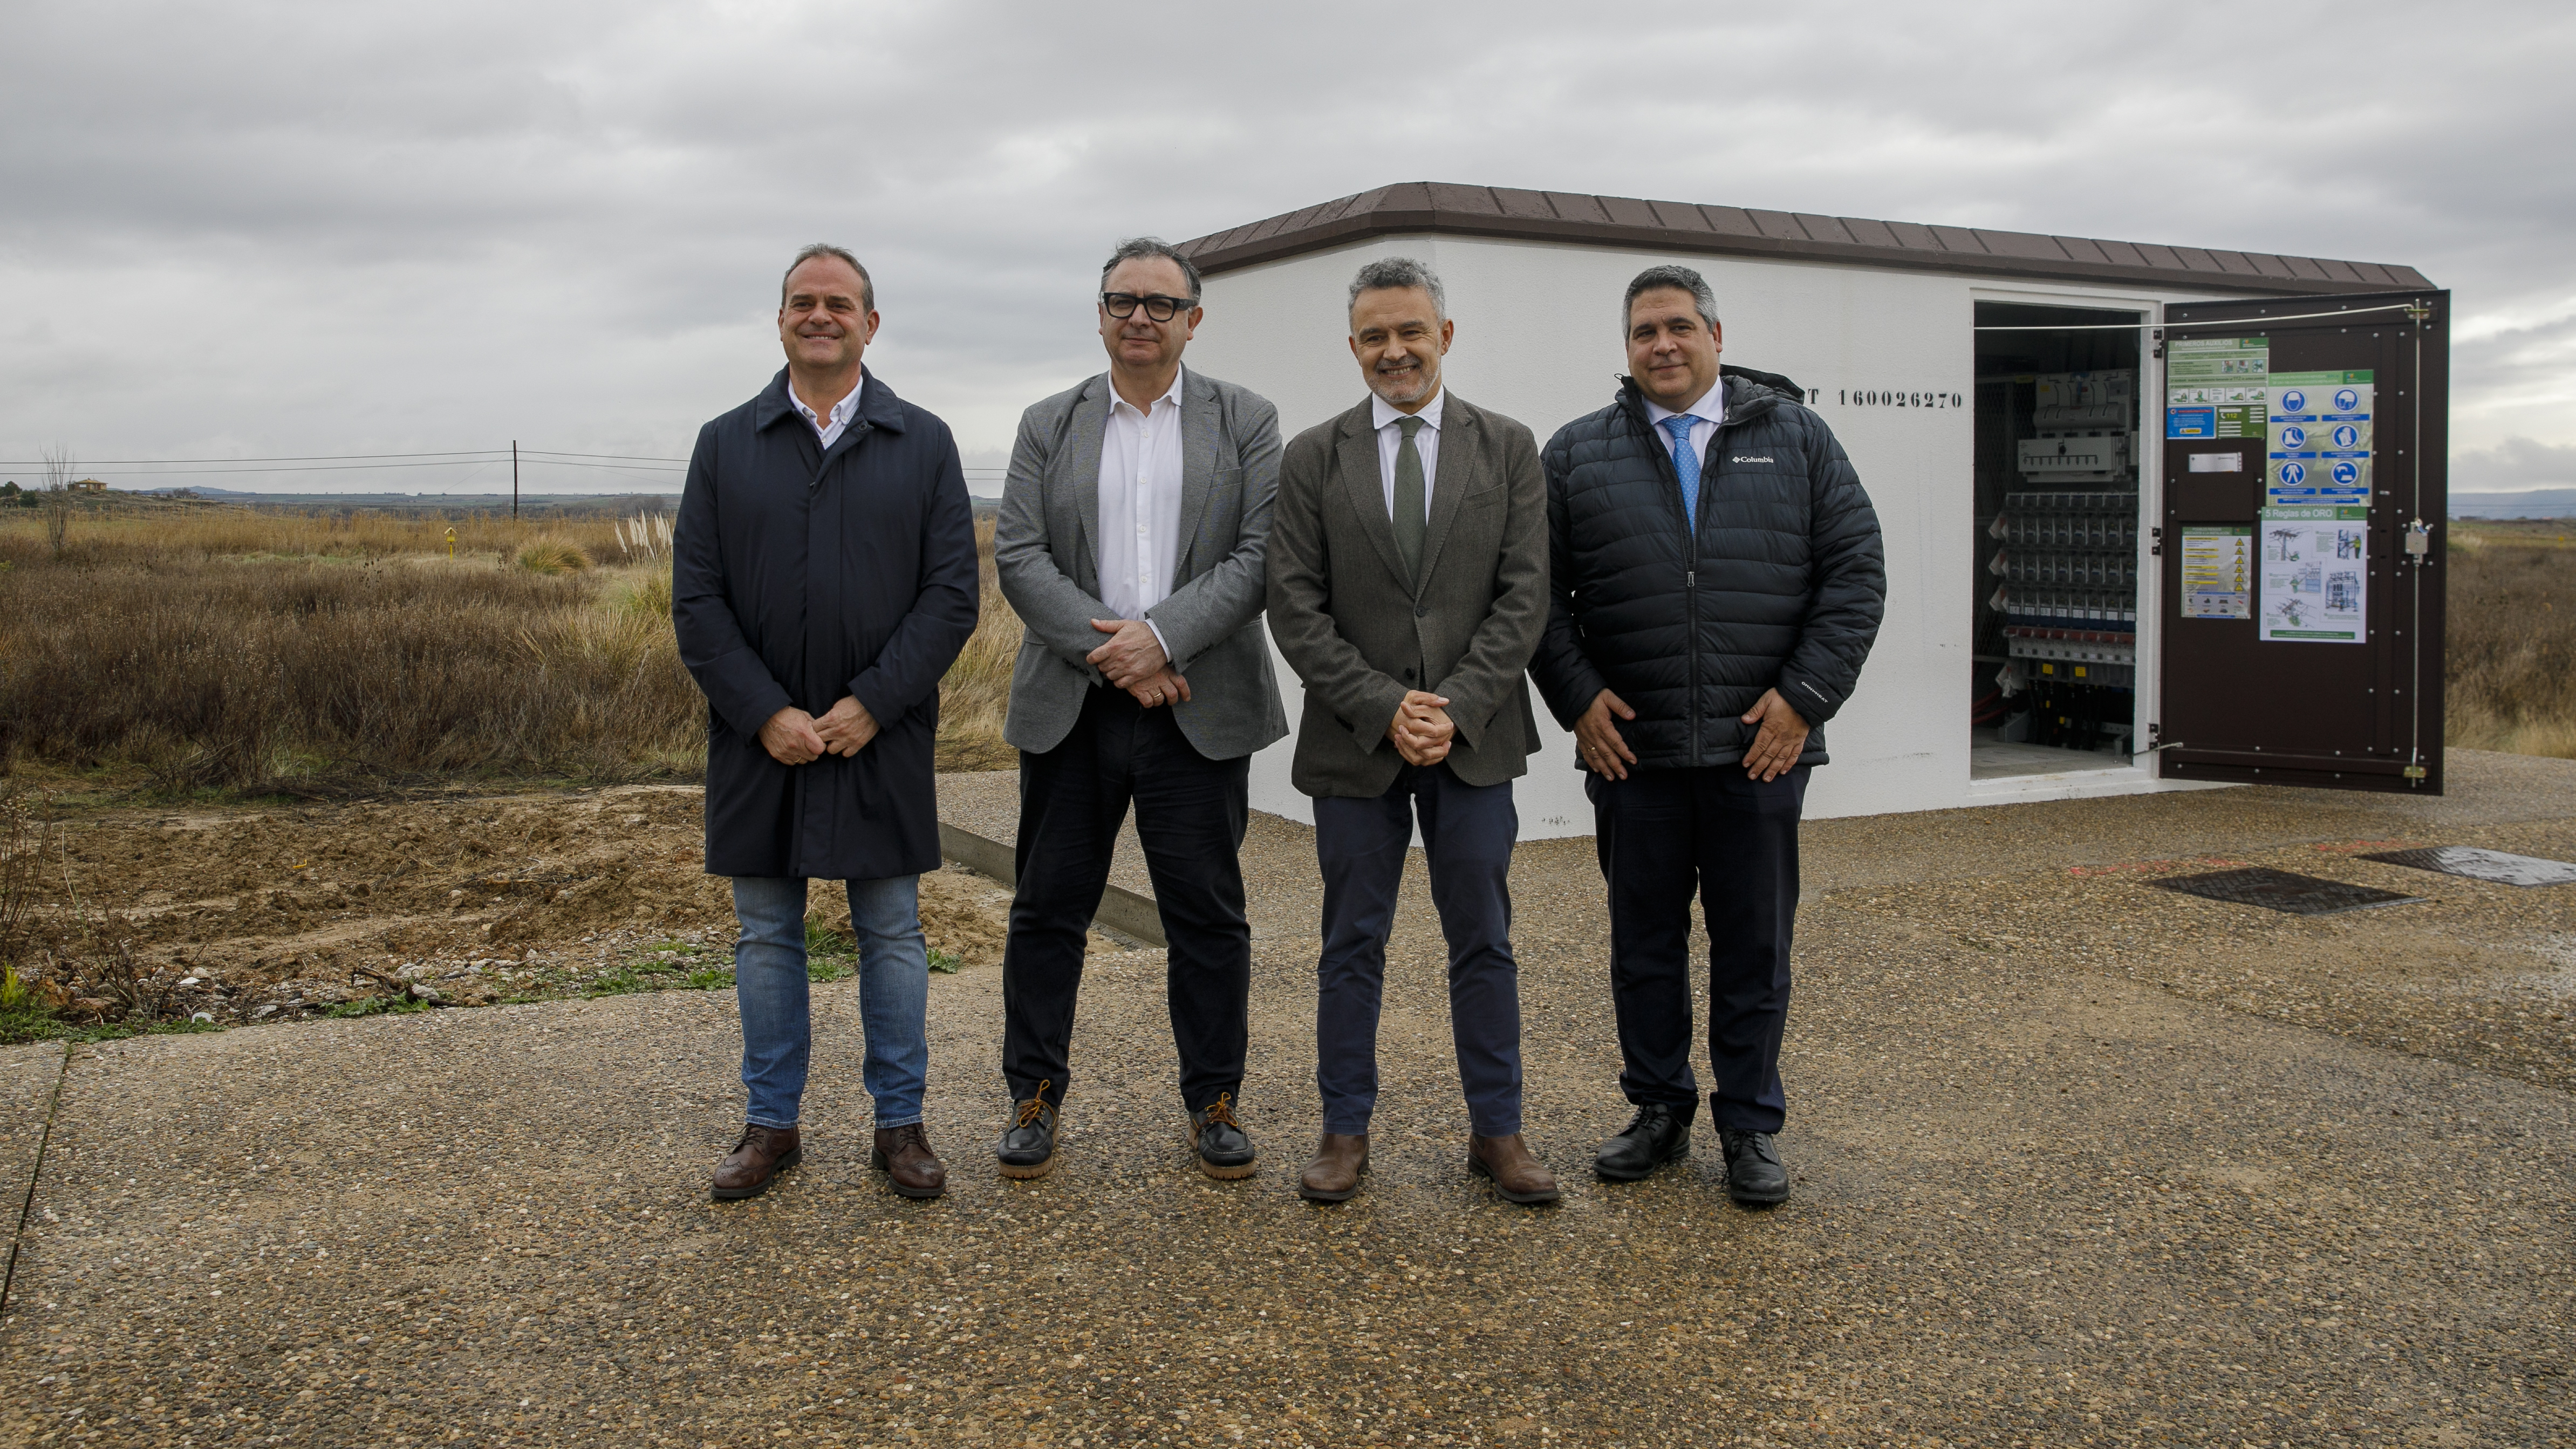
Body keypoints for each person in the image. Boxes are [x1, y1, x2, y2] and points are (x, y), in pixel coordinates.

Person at [1530, 264, 1884, 1205]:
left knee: (1755, 945)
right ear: (1628, 347)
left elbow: (1855, 573)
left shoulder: (1799, 439)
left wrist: (1804, 698)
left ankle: (1751, 1125)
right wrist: (1578, 698)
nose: (1664, 346)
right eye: (1645, 332)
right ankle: (1658, 1109)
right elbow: (1537, 600)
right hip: (1634, 753)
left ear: (1717, 337)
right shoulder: (1575, 454)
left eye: (1680, 327)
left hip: (1758, 753)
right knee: (1642, 945)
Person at [673, 244, 980, 1203]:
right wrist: (765, 711)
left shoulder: (921, 441)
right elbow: (697, 600)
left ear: (870, 324)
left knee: (891, 929)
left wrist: (869, 705)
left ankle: (902, 1125)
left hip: (878, 738)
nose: (820, 315)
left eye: (838, 303)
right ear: (780, 322)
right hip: (758, 742)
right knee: (767, 935)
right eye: (802, 302)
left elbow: (951, 596)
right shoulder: (726, 443)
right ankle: (772, 1125)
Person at [991, 237, 1288, 1181]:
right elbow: (1019, 556)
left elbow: (1259, 557)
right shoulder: (1050, 422)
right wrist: (1117, 656)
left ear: (1194, 318)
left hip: (1196, 702)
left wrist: (1160, 641)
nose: (1140, 318)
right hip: (1075, 706)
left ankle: (1215, 1100)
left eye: (1162, 304)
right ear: (1102, 312)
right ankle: (1033, 1097)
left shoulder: (1246, 420)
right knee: (1047, 912)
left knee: (1206, 916)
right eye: (1123, 300)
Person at [1266, 257, 1557, 1206]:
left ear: (1446, 336)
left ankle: (1498, 1132)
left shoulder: (1508, 447)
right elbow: (1295, 607)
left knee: (1484, 938)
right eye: (1375, 336)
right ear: (1353, 348)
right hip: (1355, 743)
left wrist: (1454, 706)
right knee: (1352, 941)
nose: (1395, 350)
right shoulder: (1314, 456)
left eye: (1411, 331)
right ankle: (1344, 1131)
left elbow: (1524, 597)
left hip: (1475, 742)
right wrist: (1385, 705)